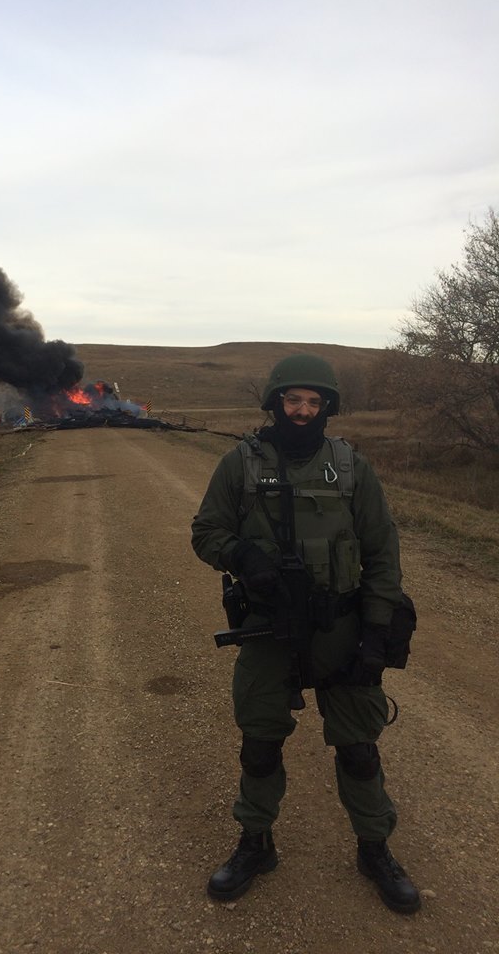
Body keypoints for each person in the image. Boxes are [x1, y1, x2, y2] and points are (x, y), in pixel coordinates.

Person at [191, 353, 420, 914]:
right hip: (269, 630)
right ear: (275, 403)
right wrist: (242, 553)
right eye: (293, 400)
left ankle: (374, 849)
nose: (302, 411)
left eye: (314, 402)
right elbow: (205, 532)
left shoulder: (350, 466)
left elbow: (381, 554)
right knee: (261, 744)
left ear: (327, 408)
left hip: (341, 628)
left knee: (359, 748)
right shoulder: (240, 464)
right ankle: (255, 843)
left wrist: (374, 633)